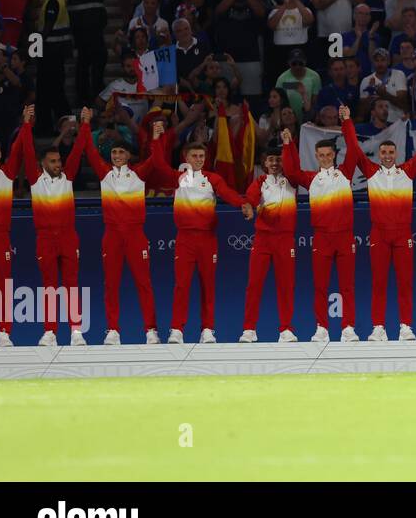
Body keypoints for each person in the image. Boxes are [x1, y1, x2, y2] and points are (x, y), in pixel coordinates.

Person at [147, 130, 254, 345]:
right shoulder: (178, 178)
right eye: (194, 156)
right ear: (186, 158)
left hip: (207, 240)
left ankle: (207, 329)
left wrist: (242, 204)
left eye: (201, 157)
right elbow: (158, 164)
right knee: (182, 285)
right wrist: (156, 140)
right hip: (185, 240)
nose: (198, 160)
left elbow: (227, 192)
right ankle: (177, 329)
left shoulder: (212, 178)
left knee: (208, 285)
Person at [78, 108, 166, 346]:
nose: (117, 155)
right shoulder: (104, 174)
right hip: (112, 235)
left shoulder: (138, 175)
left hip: (136, 234)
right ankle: (112, 330)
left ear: (128, 156)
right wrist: (86, 123)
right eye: (114, 152)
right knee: (111, 284)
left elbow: (156, 162)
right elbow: (89, 149)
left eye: (121, 152)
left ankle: (151, 330)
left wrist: (156, 138)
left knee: (143, 283)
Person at [343, 109, 416, 342]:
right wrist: (347, 121)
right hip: (379, 234)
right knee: (379, 283)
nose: (388, 155)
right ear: (379, 154)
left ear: (397, 153)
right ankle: (378, 327)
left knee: (405, 283)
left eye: (391, 152)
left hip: (403, 235)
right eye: (384, 152)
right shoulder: (371, 172)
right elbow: (354, 148)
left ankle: (405, 327)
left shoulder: (407, 172)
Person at [280, 108, 359, 343]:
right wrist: (288, 145)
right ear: (316, 156)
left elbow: (354, 149)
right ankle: (321, 328)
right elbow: (291, 172)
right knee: (320, 287)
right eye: (321, 155)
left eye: (328, 155)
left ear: (334, 155)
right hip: (322, 238)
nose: (325, 158)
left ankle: (348, 328)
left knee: (347, 286)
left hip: (344, 237)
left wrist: (347, 121)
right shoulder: (310, 178)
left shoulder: (345, 173)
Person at [17, 105, 88, 346]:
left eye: (59, 160)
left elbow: (78, 150)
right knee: (49, 285)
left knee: (71, 285)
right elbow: (27, 151)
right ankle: (50, 332)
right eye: (53, 161)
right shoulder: (36, 180)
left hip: (68, 237)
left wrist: (85, 125)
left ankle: (76, 330)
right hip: (46, 239)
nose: (58, 164)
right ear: (43, 163)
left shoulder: (67, 178)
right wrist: (26, 125)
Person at [240, 148, 299, 343]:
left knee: (286, 286)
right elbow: (250, 199)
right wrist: (250, 207)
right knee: (254, 285)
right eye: (271, 160)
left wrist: (288, 144)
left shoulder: (292, 180)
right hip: (263, 239)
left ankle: (286, 329)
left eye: (279, 160)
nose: (275, 163)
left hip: (285, 239)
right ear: (265, 163)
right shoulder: (259, 182)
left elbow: (292, 164)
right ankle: (249, 329)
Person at [0, 120, 26, 346]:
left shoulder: (7, 173)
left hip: (0, 235)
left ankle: (4, 333)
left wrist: (25, 125)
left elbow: (19, 148)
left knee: (5, 284)